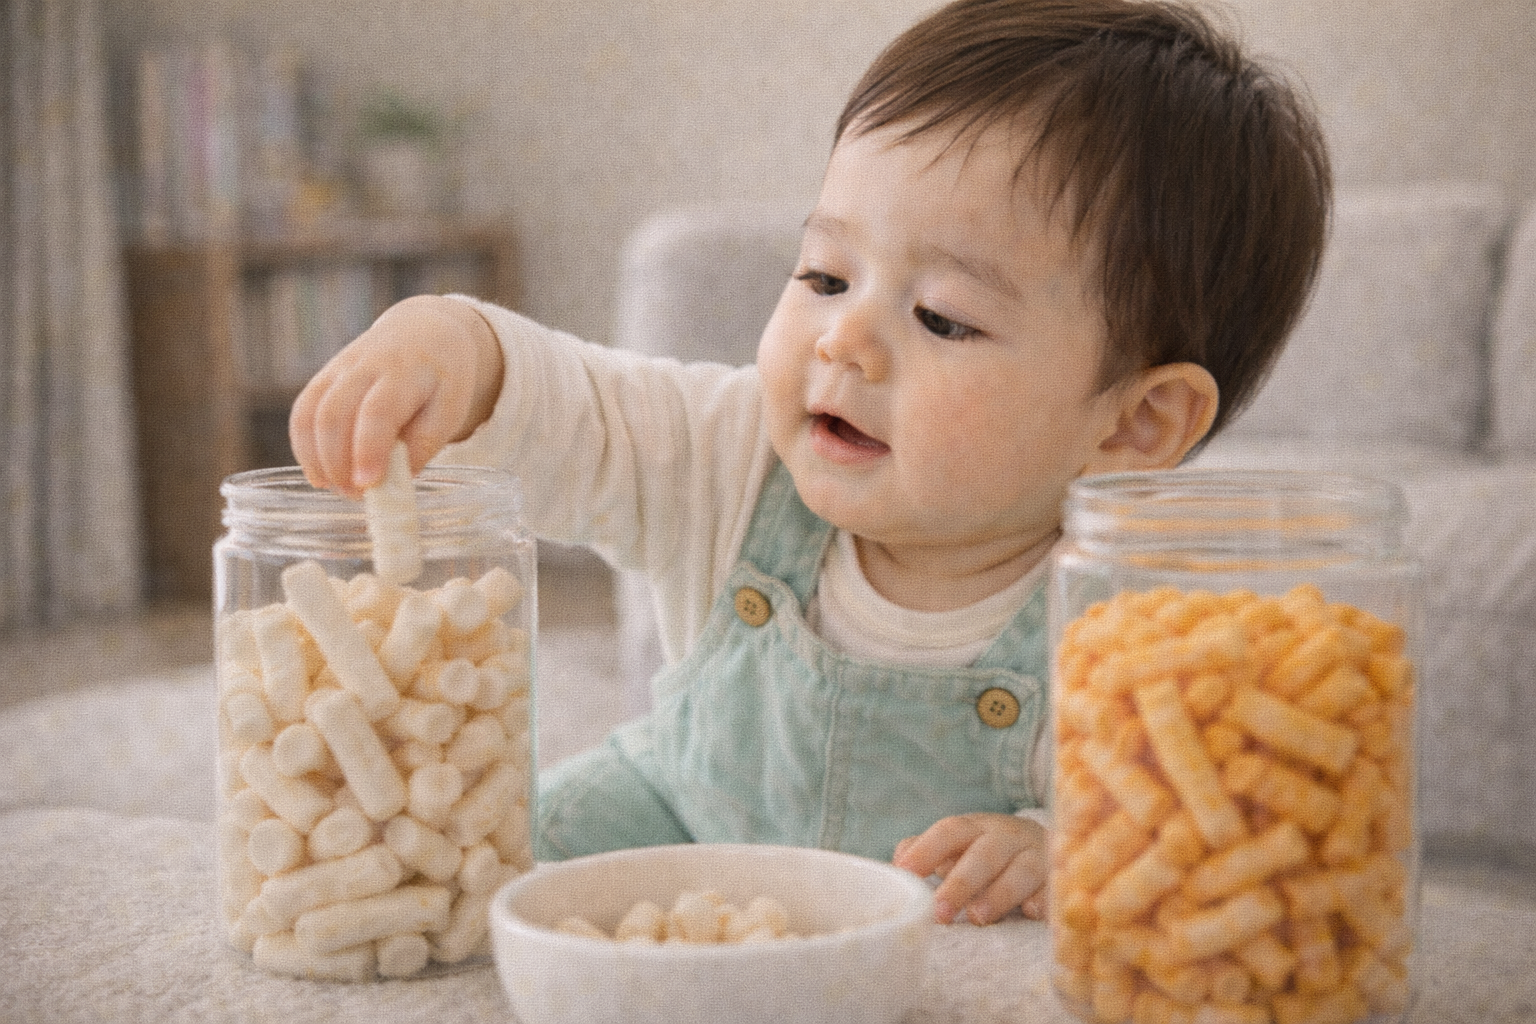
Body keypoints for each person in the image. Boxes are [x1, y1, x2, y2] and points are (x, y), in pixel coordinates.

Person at [289, 0, 1330, 927]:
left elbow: (1223, 821)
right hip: (675, 826)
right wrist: (458, 347)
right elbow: (583, 410)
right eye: (825, 273)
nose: (843, 340)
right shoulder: (735, 452)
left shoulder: (1144, 611)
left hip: (924, 937)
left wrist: (1063, 847)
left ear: (1136, 425)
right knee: (470, 871)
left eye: (941, 317)